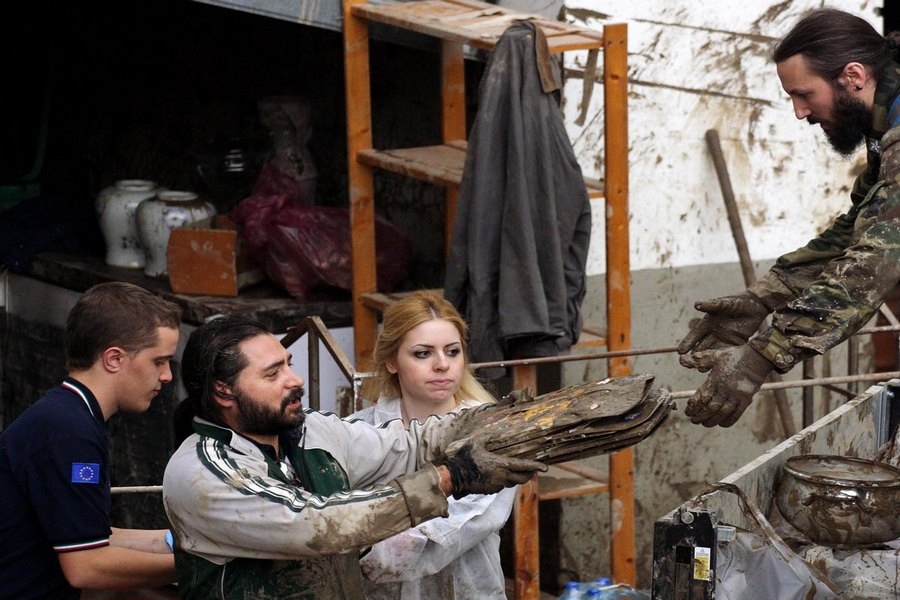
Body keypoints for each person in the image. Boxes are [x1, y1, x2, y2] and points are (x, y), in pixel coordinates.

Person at [162, 314, 546, 600]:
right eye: (272, 373)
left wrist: (487, 419)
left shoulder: (311, 431)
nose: (294, 380)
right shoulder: (204, 473)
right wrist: (448, 478)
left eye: (290, 364)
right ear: (224, 392)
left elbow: (406, 446)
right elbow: (318, 524)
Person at [678, 8, 900, 427]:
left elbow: (875, 261)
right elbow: (861, 227)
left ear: (853, 76)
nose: (800, 113)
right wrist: (763, 298)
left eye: (804, 94)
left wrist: (761, 355)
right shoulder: (887, 119)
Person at [0, 281, 180, 599]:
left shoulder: (69, 414)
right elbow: (87, 565)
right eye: (159, 361)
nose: (166, 375)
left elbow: (89, 536)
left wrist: (178, 541)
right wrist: (192, 568)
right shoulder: (69, 432)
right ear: (113, 359)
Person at [349, 291, 514, 599]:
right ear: (391, 361)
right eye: (423, 353)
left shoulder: (492, 434)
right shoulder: (359, 431)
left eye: (452, 352)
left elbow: (452, 529)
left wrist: (354, 549)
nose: (442, 365)